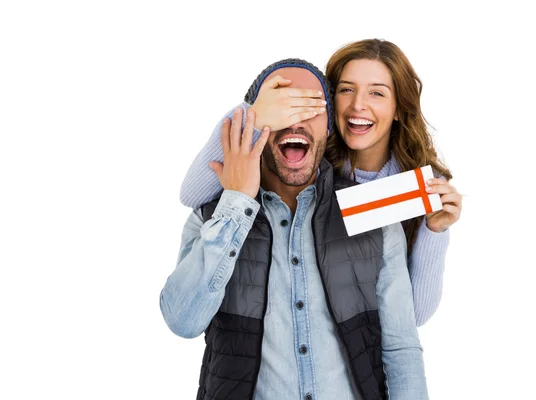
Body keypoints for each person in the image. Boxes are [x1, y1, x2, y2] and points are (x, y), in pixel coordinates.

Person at [160, 59, 429, 399]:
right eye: (282, 108)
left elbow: (401, 350)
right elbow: (181, 321)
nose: (296, 121)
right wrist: (237, 202)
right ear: (256, 124)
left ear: (329, 126)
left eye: (312, 107)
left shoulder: (369, 213)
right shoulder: (214, 218)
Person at [179, 39, 463, 326]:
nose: (358, 105)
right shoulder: (307, 163)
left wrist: (434, 232)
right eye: (346, 90)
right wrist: (253, 114)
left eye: (377, 93)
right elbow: (192, 194)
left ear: (399, 108)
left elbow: (411, 316)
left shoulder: (420, 187)